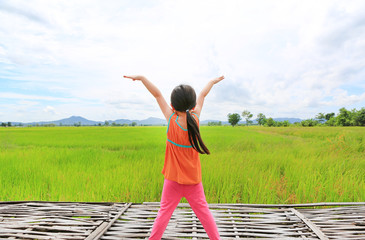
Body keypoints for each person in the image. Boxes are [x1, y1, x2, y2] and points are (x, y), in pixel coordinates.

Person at [124, 75, 224, 240]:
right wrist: (211, 82)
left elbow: (157, 95)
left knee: (164, 213)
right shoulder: (196, 119)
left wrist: (142, 78)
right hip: (193, 182)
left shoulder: (171, 120)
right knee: (204, 213)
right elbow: (203, 95)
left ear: (172, 105)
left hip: (172, 181)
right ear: (193, 106)